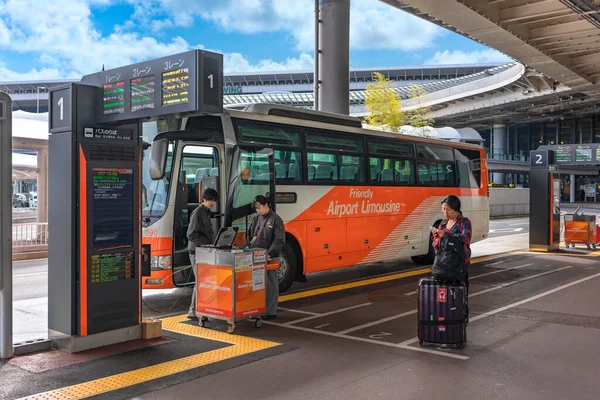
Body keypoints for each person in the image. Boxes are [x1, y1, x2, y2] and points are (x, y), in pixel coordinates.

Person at [431, 194, 472, 321]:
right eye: (443, 209)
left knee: (459, 295)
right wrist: (436, 237)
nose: (445, 212)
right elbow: (437, 247)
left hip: (459, 265)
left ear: (456, 209)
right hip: (444, 265)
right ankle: (445, 319)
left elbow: (466, 238)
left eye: (448, 209)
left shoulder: (464, 222)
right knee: (443, 296)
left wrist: (447, 234)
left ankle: (460, 322)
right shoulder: (443, 224)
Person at [247, 195, 285, 319]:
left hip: (270, 257)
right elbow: (251, 236)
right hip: (256, 257)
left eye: (259, 207)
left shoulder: (275, 219)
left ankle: (271, 311)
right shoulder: (257, 219)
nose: (258, 211)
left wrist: (269, 253)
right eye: (256, 209)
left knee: (271, 284)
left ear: (266, 205)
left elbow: (279, 240)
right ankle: (259, 309)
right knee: (258, 285)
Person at [186, 187, 219, 320]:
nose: (213, 203)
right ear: (204, 199)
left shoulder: (206, 212)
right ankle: (193, 311)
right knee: (200, 280)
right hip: (197, 251)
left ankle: (202, 310)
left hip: (205, 251)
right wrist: (206, 243)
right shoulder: (198, 212)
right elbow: (191, 234)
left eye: (214, 200)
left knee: (204, 280)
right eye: (211, 200)